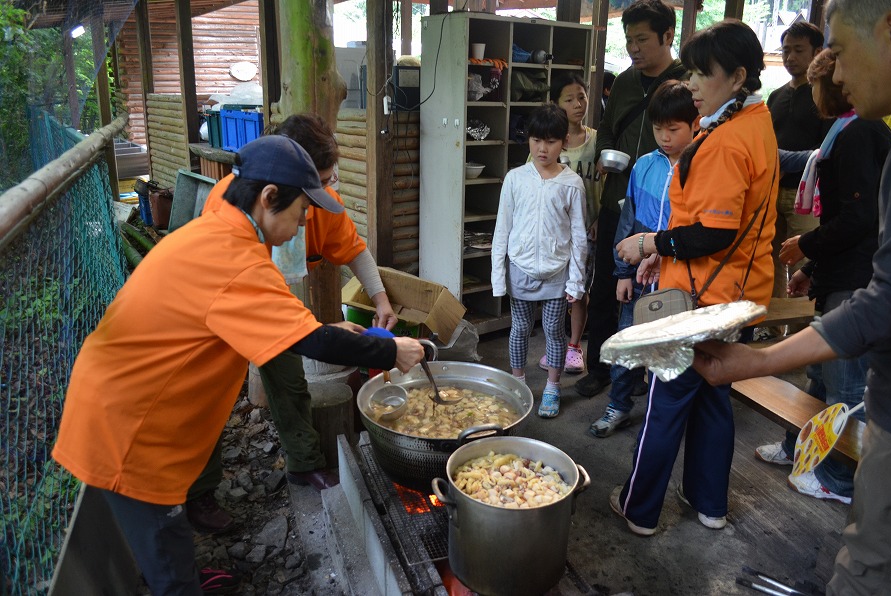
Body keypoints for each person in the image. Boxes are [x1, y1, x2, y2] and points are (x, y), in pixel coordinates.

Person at [51, 135, 425, 595]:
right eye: (301, 212)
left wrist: (330, 328)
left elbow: (272, 321)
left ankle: (173, 572)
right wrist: (393, 351)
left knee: (163, 533)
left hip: (121, 400)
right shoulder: (235, 257)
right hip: (130, 428)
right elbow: (308, 340)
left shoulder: (218, 228)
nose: (304, 223)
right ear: (269, 198)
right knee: (162, 533)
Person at [693, 2, 891, 592]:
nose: (831, 72)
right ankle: (806, 451)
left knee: (866, 566)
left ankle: (831, 472)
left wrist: (756, 361)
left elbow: (885, 298)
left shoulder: (860, 130)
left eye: (837, 50)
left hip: (889, 397)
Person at [185, 115, 399, 533]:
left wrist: (380, 298)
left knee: (290, 379)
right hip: (225, 301)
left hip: (276, 299)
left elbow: (354, 248)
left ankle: (303, 462)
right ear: (277, 187)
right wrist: (349, 339)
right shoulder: (229, 206)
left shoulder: (319, 202)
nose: (319, 199)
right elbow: (257, 297)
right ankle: (198, 490)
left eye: (326, 182)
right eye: (313, 188)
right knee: (209, 391)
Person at [610, 19, 778, 536]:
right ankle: (710, 504)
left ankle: (639, 509)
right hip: (736, 295)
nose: (695, 85)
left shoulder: (727, 141)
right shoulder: (757, 123)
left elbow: (714, 232)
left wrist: (651, 243)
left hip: (701, 297)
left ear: (739, 76)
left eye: (705, 74)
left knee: (666, 399)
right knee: (712, 397)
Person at [755, 49, 891, 504]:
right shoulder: (843, 130)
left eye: (817, 85)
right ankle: (799, 448)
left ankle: (839, 477)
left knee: (846, 385)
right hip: (838, 272)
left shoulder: (859, 132)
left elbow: (859, 217)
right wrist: (813, 268)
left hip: (857, 277)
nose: (813, 96)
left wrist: (806, 247)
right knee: (818, 376)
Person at [577, 0, 687, 398]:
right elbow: (605, 129)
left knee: (657, 291)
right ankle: (602, 367)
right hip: (617, 201)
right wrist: (607, 154)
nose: (633, 48)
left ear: (667, 36)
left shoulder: (686, 82)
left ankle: (644, 373)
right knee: (607, 285)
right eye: (629, 40)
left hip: (661, 211)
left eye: (642, 39)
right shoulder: (623, 82)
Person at [590, 80, 698, 438]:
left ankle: (662, 415)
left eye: (673, 129)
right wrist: (623, 271)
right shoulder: (643, 167)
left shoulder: (701, 167)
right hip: (639, 274)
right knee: (628, 340)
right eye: (657, 129)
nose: (664, 137)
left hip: (679, 276)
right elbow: (628, 221)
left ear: (695, 124)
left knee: (671, 349)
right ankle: (618, 405)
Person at [491, 103, 588, 418]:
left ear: (564, 142)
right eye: (536, 140)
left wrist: (576, 280)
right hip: (520, 266)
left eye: (550, 141)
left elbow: (579, 237)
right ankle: (518, 383)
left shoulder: (572, 183)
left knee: (553, 330)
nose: (542, 148)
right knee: (519, 326)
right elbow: (502, 229)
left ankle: (552, 387)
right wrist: (497, 277)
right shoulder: (515, 178)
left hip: (557, 270)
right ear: (528, 139)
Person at [763, 21, 833, 335]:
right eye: (786, 50)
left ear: (818, 52)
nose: (790, 57)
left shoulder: (825, 95)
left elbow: (826, 151)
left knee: (808, 260)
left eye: (798, 50)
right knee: (772, 260)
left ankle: (804, 331)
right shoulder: (775, 96)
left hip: (808, 195)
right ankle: (774, 327)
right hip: (772, 190)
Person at [535, 73, 600, 375]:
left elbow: (606, 184)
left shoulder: (597, 140)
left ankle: (574, 347)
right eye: (569, 99)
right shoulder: (549, 143)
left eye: (582, 97)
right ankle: (555, 345)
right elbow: (533, 181)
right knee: (557, 290)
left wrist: (598, 218)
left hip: (587, 229)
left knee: (581, 289)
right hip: (555, 231)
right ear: (556, 104)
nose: (578, 104)